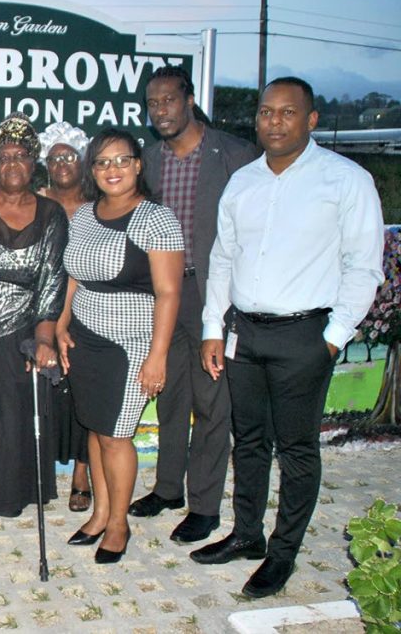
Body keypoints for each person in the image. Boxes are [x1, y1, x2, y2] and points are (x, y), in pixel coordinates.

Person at [191, 77, 384, 598]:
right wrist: (214, 327)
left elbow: (364, 267)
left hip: (305, 336)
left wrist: (332, 337)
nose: (274, 122)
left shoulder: (346, 181)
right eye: (266, 112)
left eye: (287, 113)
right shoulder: (244, 182)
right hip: (245, 334)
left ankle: (282, 555)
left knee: (297, 450)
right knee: (248, 442)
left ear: (311, 120)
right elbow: (223, 259)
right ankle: (247, 536)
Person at [128, 67, 260, 544]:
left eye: (168, 100)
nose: (160, 110)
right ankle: (167, 489)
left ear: (188, 100)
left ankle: (204, 506)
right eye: (153, 103)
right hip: (163, 296)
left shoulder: (236, 155)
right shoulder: (149, 159)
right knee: (169, 397)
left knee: (210, 403)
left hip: (213, 295)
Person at [56, 128, 184, 564]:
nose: (112, 170)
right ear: (92, 170)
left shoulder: (156, 219)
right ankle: (99, 513)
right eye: (102, 162)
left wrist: (158, 356)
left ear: (138, 164)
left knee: (116, 436)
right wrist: (60, 325)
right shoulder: (86, 215)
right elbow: (73, 275)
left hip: (131, 344)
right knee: (95, 427)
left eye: (121, 160)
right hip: (86, 338)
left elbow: (169, 293)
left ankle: (118, 524)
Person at [0, 112, 68, 520]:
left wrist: (44, 338)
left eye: (21, 156)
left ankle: (12, 495)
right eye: (3, 157)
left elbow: (52, 281)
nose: (12, 165)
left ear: (34, 161)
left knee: (13, 418)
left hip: (22, 330)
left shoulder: (51, 214)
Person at [36, 121, 93, 513]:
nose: (61, 164)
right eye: (54, 157)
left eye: (68, 156)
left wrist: (66, 321)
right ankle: (37, 471)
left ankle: (82, 473)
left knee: (85, 397)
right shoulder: (37, 200)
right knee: (44, 395)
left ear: (82, 159)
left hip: (87, 313)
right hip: (40, 310)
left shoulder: (97, 204)